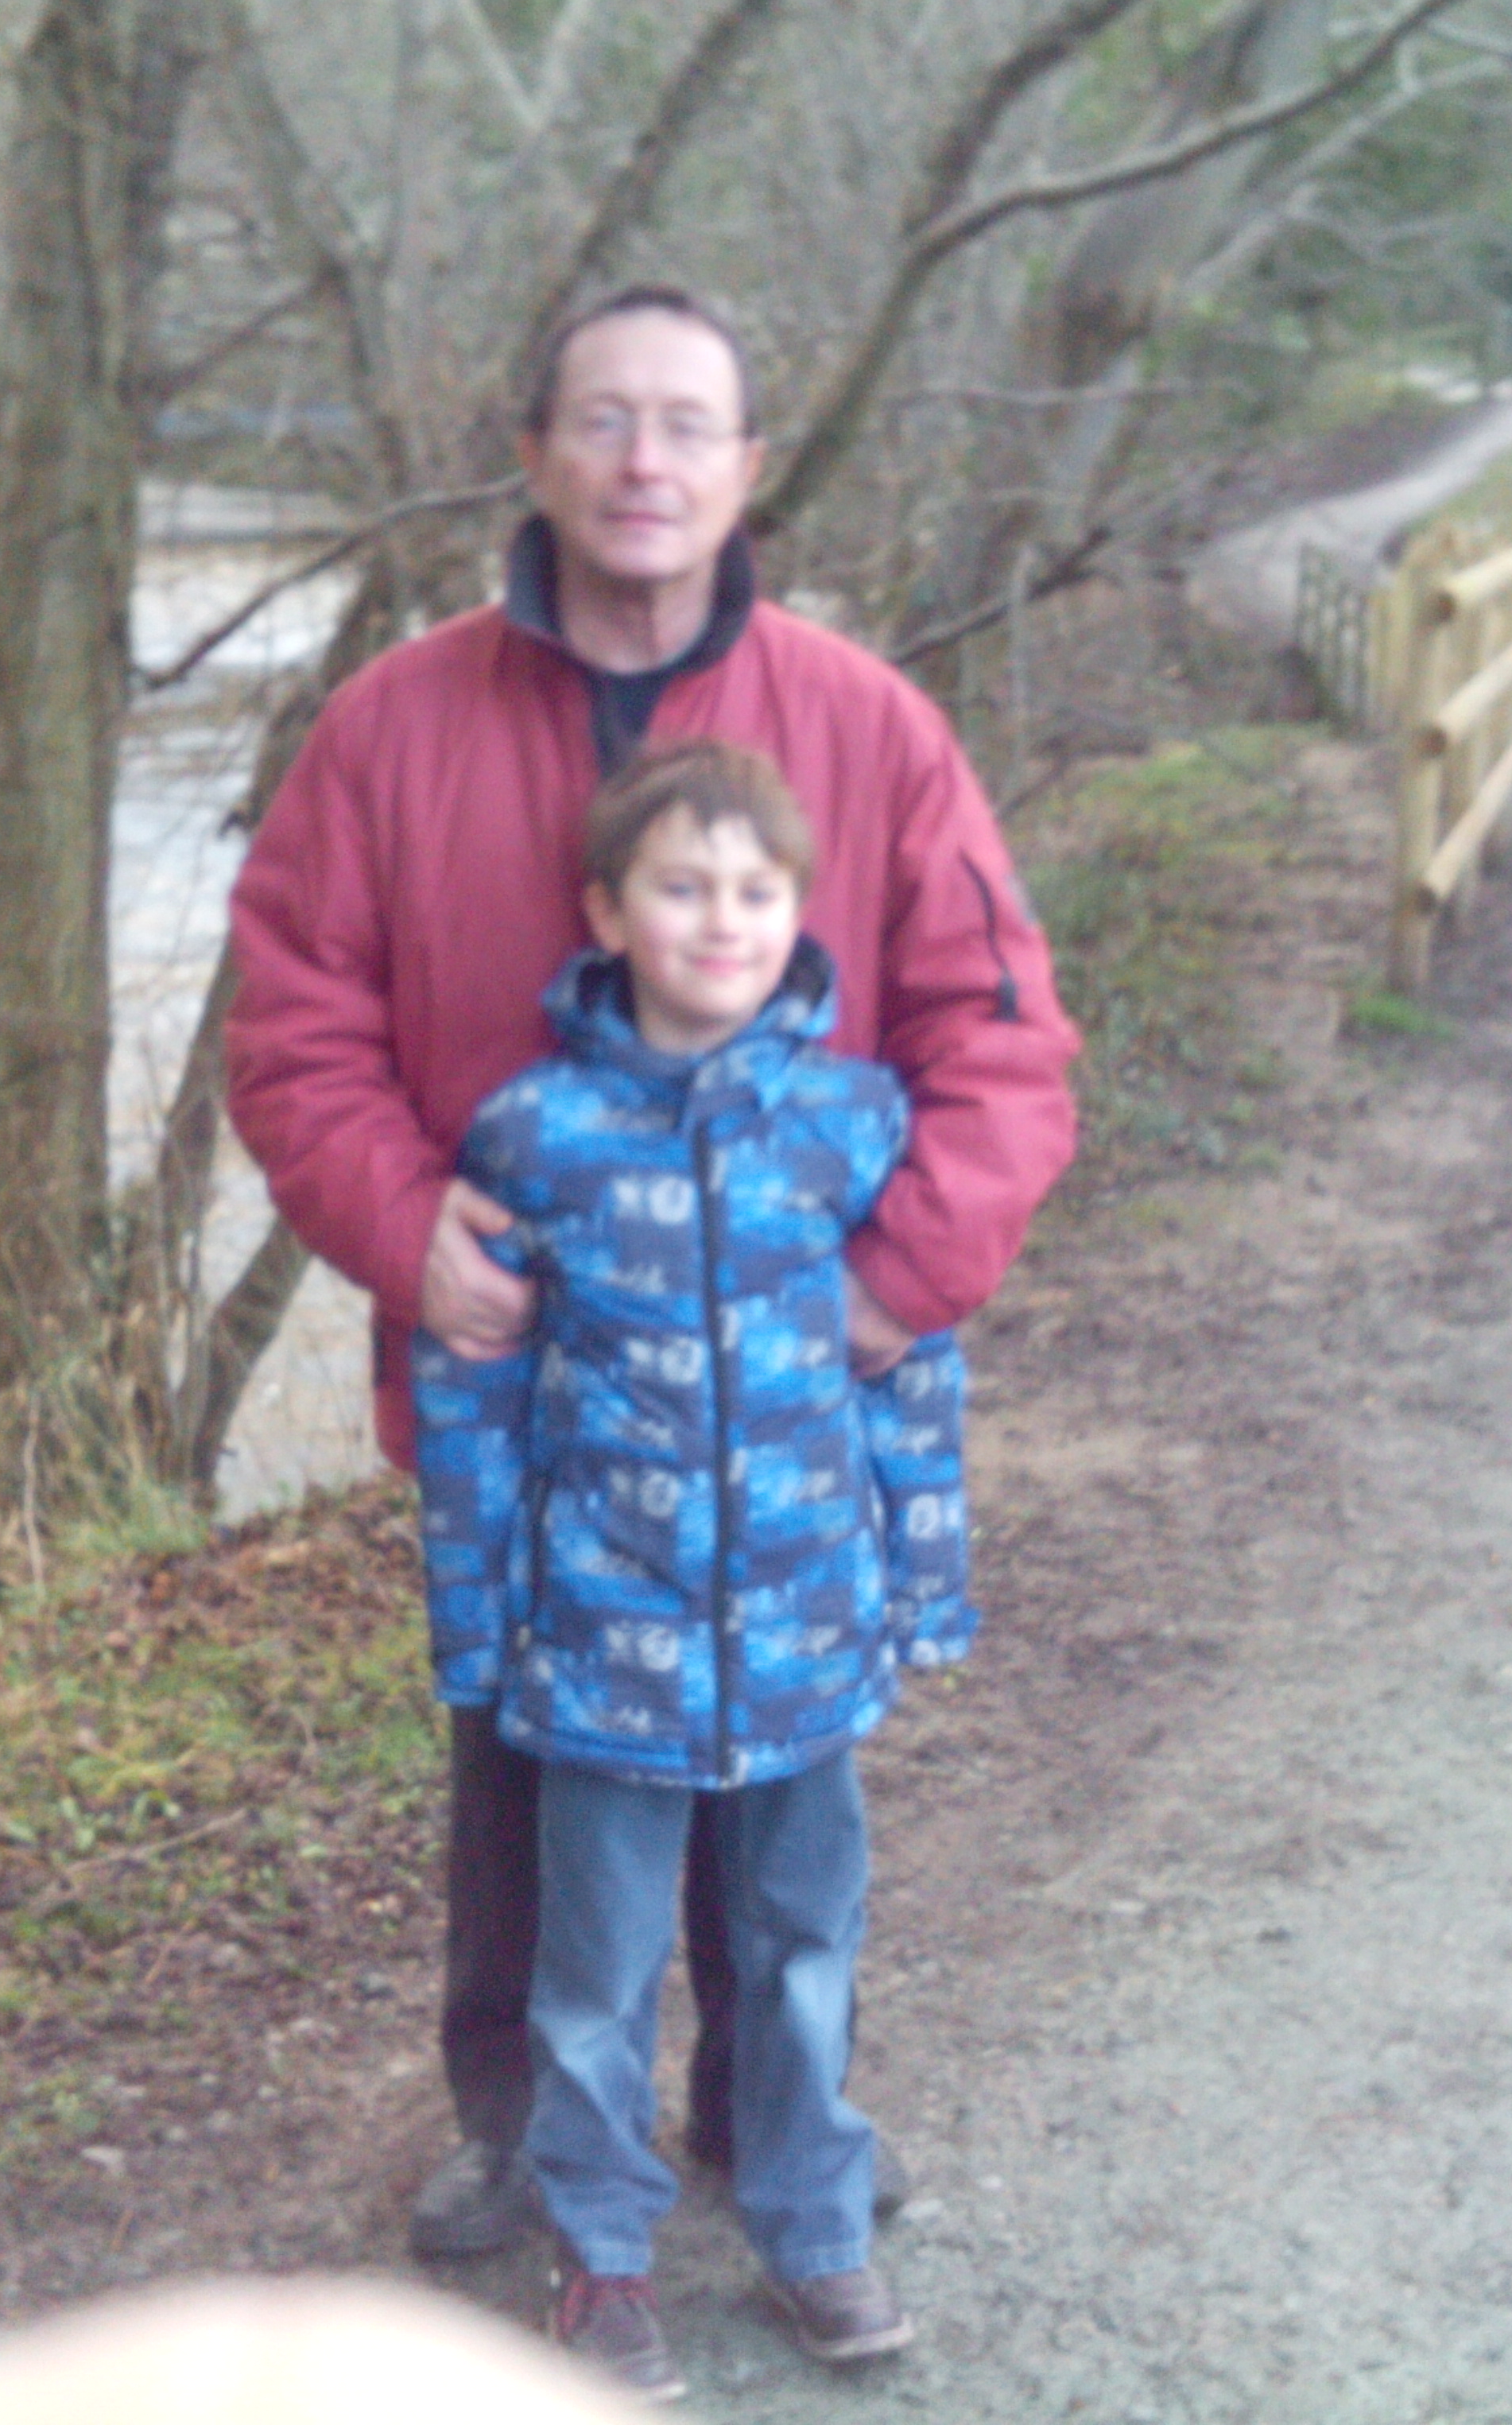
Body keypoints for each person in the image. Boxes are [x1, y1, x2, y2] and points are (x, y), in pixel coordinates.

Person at [223, 282, 1076, 2263]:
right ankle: (525, 2132)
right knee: (526, 1784)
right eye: (602, 420)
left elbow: (1001, 1037)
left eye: (688, 425)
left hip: (787, 1406)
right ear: (533, 455)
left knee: (778, 1793)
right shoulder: (390, 727)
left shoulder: (867, 726)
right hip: (523, 1393)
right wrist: (401, 1228)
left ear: (747, 468)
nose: (644, 462)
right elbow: (291, 1027)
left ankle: (773, 2122)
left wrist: (895, 1284)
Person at [416, 743, 972, 2397]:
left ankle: (813, 2221)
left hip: (806, 1644)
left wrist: (921, 1583)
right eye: (680, 886)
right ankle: (601, 2255)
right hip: (603, 1655)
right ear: (607, 913)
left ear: (797, 910)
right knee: (594, 1978)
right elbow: (474, 1401)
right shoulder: (538, 1138)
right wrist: (477, 1627)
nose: (721, 920)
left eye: (753, 890)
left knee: (802, 1948)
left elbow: (911, 1373)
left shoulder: (849, 1125)